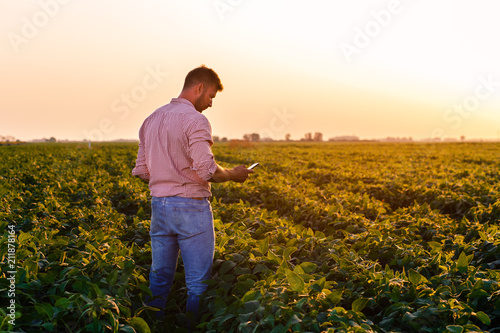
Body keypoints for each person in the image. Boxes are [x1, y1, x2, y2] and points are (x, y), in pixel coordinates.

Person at [131, 65, 253, 323]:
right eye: (210, 96)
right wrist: (233, 174)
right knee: (198, 283)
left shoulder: (151, 119)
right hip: (191, 208)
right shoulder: (196, 120)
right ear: (199, 88)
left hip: (159, 206)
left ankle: (152, 325)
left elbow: (142, 171)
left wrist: (167, 175)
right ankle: (192, 327)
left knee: (159, 277)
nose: (210, 104)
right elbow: (207, 169)